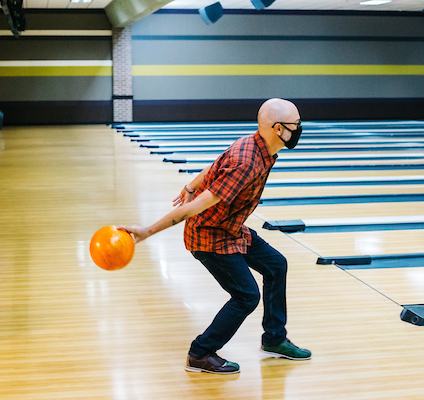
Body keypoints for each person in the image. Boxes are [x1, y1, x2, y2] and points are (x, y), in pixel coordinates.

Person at [122, 98, 310, 374]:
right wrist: (147, 231)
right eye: (296, 124)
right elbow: (195, 208)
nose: (300, 128)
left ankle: (274, 339)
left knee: (276, 265)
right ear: (279, 128)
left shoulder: (257, 144)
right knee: (246, 296)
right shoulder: (247, 162)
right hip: (209, 236)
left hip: (230, 227)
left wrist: (190, 184)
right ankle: (200, 352)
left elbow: (215, 165)